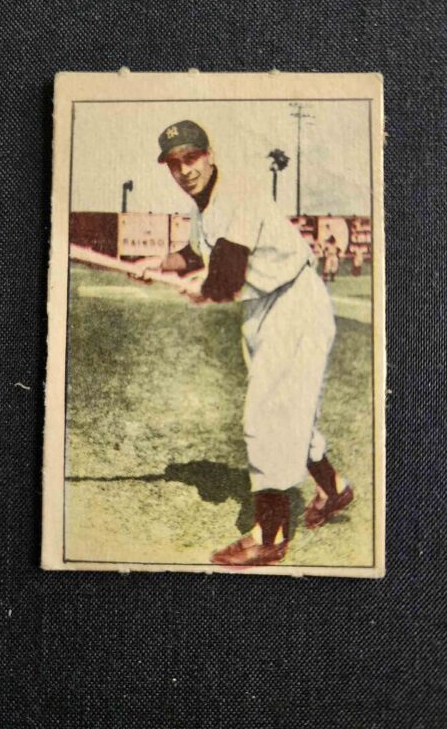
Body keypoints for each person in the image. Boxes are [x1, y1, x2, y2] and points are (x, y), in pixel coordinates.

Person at [153, 119, 353, 566]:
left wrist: (201, 290)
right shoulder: (204, 205)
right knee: (289, 411)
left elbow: (223, 279)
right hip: (265, 307)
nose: (184, 170)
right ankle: (335, 489)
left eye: (192, 157)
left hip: (293, 305)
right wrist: (153, 262)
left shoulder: (239, 194)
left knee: (266, 416)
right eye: (174, 163)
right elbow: (193, 254)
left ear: (210, 154)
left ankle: (271, 534)